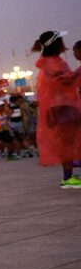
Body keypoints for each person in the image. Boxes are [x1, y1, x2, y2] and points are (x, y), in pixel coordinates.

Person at [31, 31, 81, 188]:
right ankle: (68, 178)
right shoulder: (52, 62)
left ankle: (69, 175)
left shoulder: (52, 61)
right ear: (56, 44)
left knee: (70, 141)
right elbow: (64, 81)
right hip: (61, 107)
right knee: (67, 142)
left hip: (60, 107)